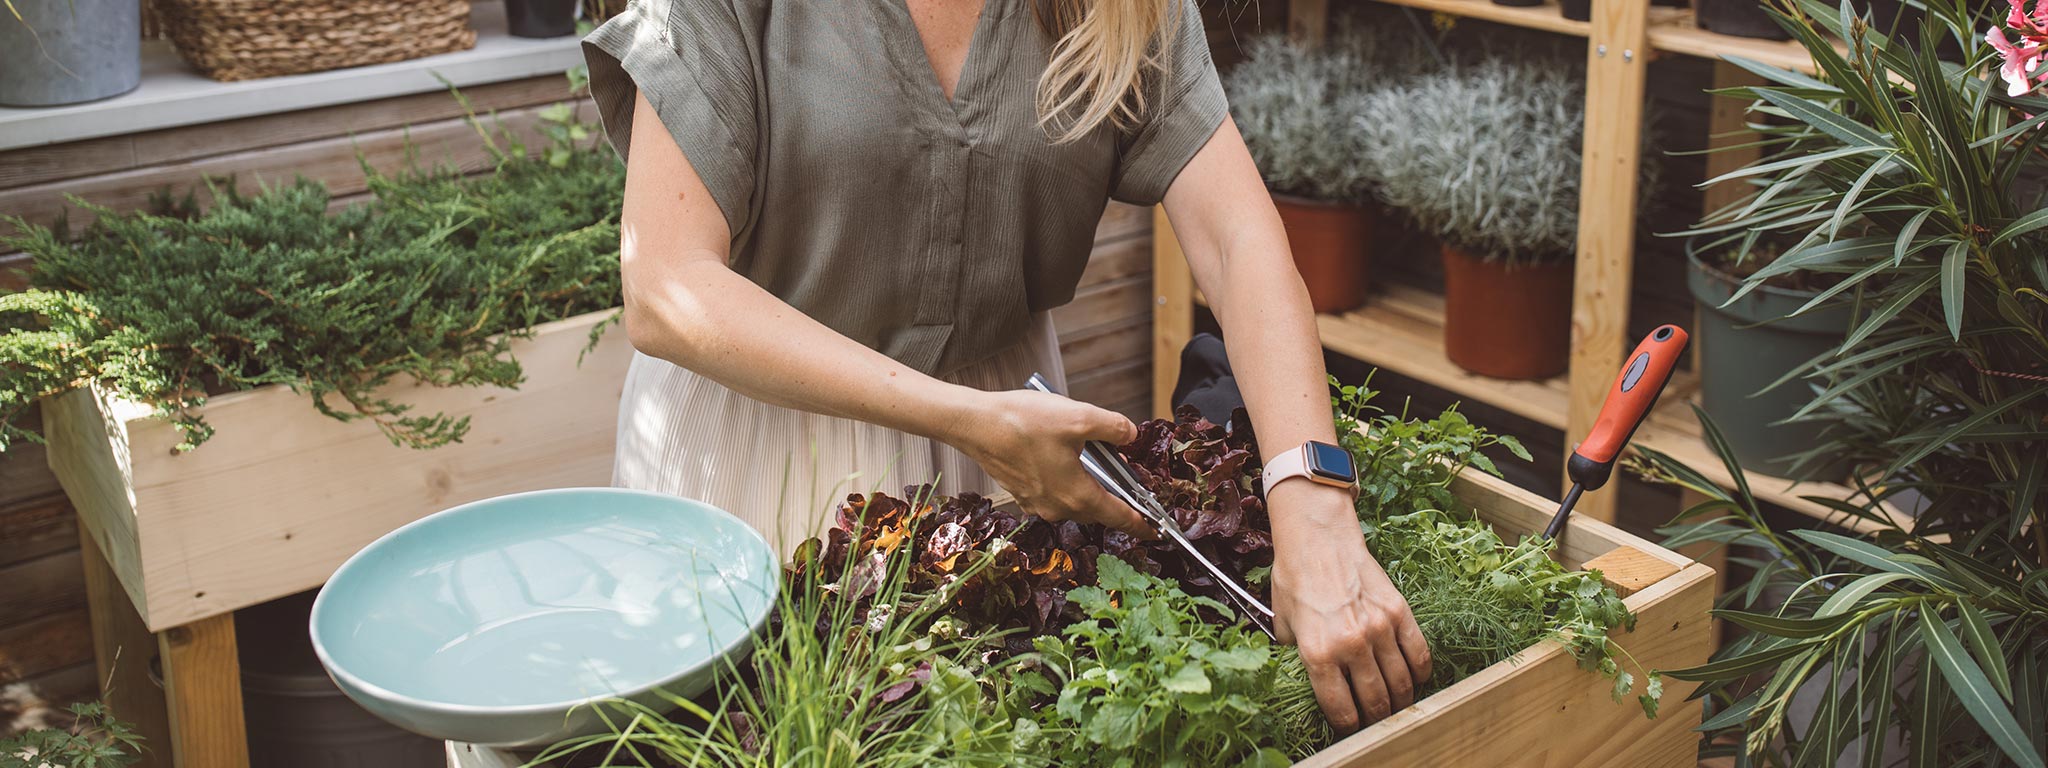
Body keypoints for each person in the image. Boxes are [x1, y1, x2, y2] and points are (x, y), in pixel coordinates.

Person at [580, 0, 1431, 732]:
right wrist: (963, 418)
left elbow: (1238, 240)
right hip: (753, 459)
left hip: (1000, 484)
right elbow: (665, 285)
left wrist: (1315, 515)